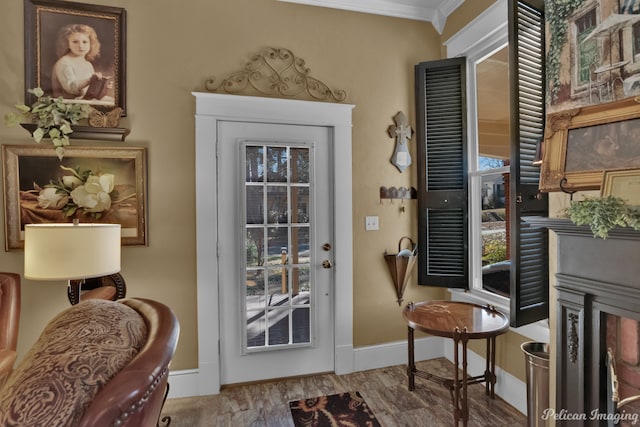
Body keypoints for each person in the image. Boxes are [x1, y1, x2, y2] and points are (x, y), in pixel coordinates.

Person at [51, 24, 110, 101]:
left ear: (91, 43)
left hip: (84, 102)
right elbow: (71, 88)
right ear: (67, 43)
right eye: (75, 42)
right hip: (68, 104)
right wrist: (90, 80)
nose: (81, 46)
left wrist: (102, 87)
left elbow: (89, 93)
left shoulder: (88, 64)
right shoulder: (64, 62)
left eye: (85, 42)